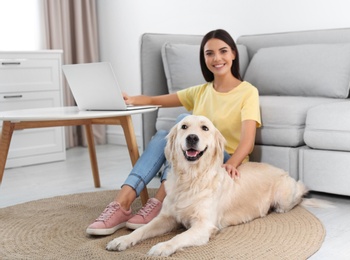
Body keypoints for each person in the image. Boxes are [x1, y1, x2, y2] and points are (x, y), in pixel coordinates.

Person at [86, 29, 261, 236]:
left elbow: (247, 142)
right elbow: (155, 100)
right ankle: (122, 202)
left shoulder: (248, 91)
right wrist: (130, 99)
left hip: (222, 159)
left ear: (233, 54)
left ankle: (160, 202)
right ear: (203, 58)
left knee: (181, 123)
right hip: (195, 157)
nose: (217, 58)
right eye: (209, 53)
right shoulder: (201, 91)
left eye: (223, 51)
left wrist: (230, 164)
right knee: (164, 135)